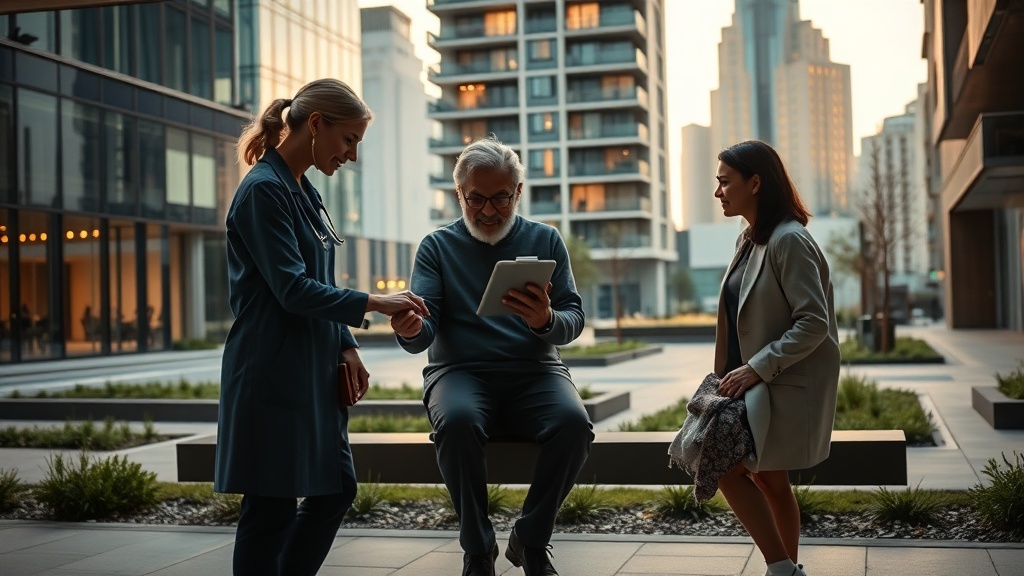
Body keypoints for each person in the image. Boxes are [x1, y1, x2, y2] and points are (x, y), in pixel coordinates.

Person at [214, 78, 429, 576]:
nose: (351, 155)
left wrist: (346, 343)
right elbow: (292, 288)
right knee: (270, 509)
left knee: (335, 489)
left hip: (311, 366)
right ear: (315, 125)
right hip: (270, 369)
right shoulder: (263, 192)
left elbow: (320, 278)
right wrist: (376, 302)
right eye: (348, 139)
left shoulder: (302, 189)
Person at [390, 136, 594, 576]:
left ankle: (530, 540)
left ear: (518, 192)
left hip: (537, 370)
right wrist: (409, 330)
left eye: (500, 198)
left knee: (574, 424)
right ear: (459, 193)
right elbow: (422, 327)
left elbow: (574, 317)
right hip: (459, 372)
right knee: (458, 423)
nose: (487, 211)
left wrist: (545, 321)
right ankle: (478, 548)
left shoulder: (546, 239)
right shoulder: (437, 247)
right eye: (475, 198)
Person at [709, 140, 840, 576]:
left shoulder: (790, 240)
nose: (718, 192)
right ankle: (785, 569)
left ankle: (781, 568)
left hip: (774, 383)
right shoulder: (748, 240)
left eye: (725, 182)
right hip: (747, 383)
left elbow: (813, 322)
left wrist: (755, 367)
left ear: (756, 182)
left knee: (727, 469)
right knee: (771, 481)